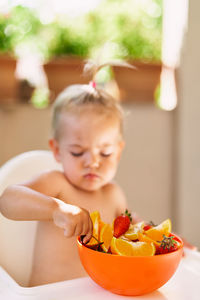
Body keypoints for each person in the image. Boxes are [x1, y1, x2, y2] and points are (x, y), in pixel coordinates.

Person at [0, 63, 128, 286]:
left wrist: (166, 243)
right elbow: (8, 200)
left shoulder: (114, 194)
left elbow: (131, 234)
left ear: (118, 152)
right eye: (78, 152)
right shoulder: (57, 184)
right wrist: (56, 209)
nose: (93, 162)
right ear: (57, 150)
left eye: (105, 153)